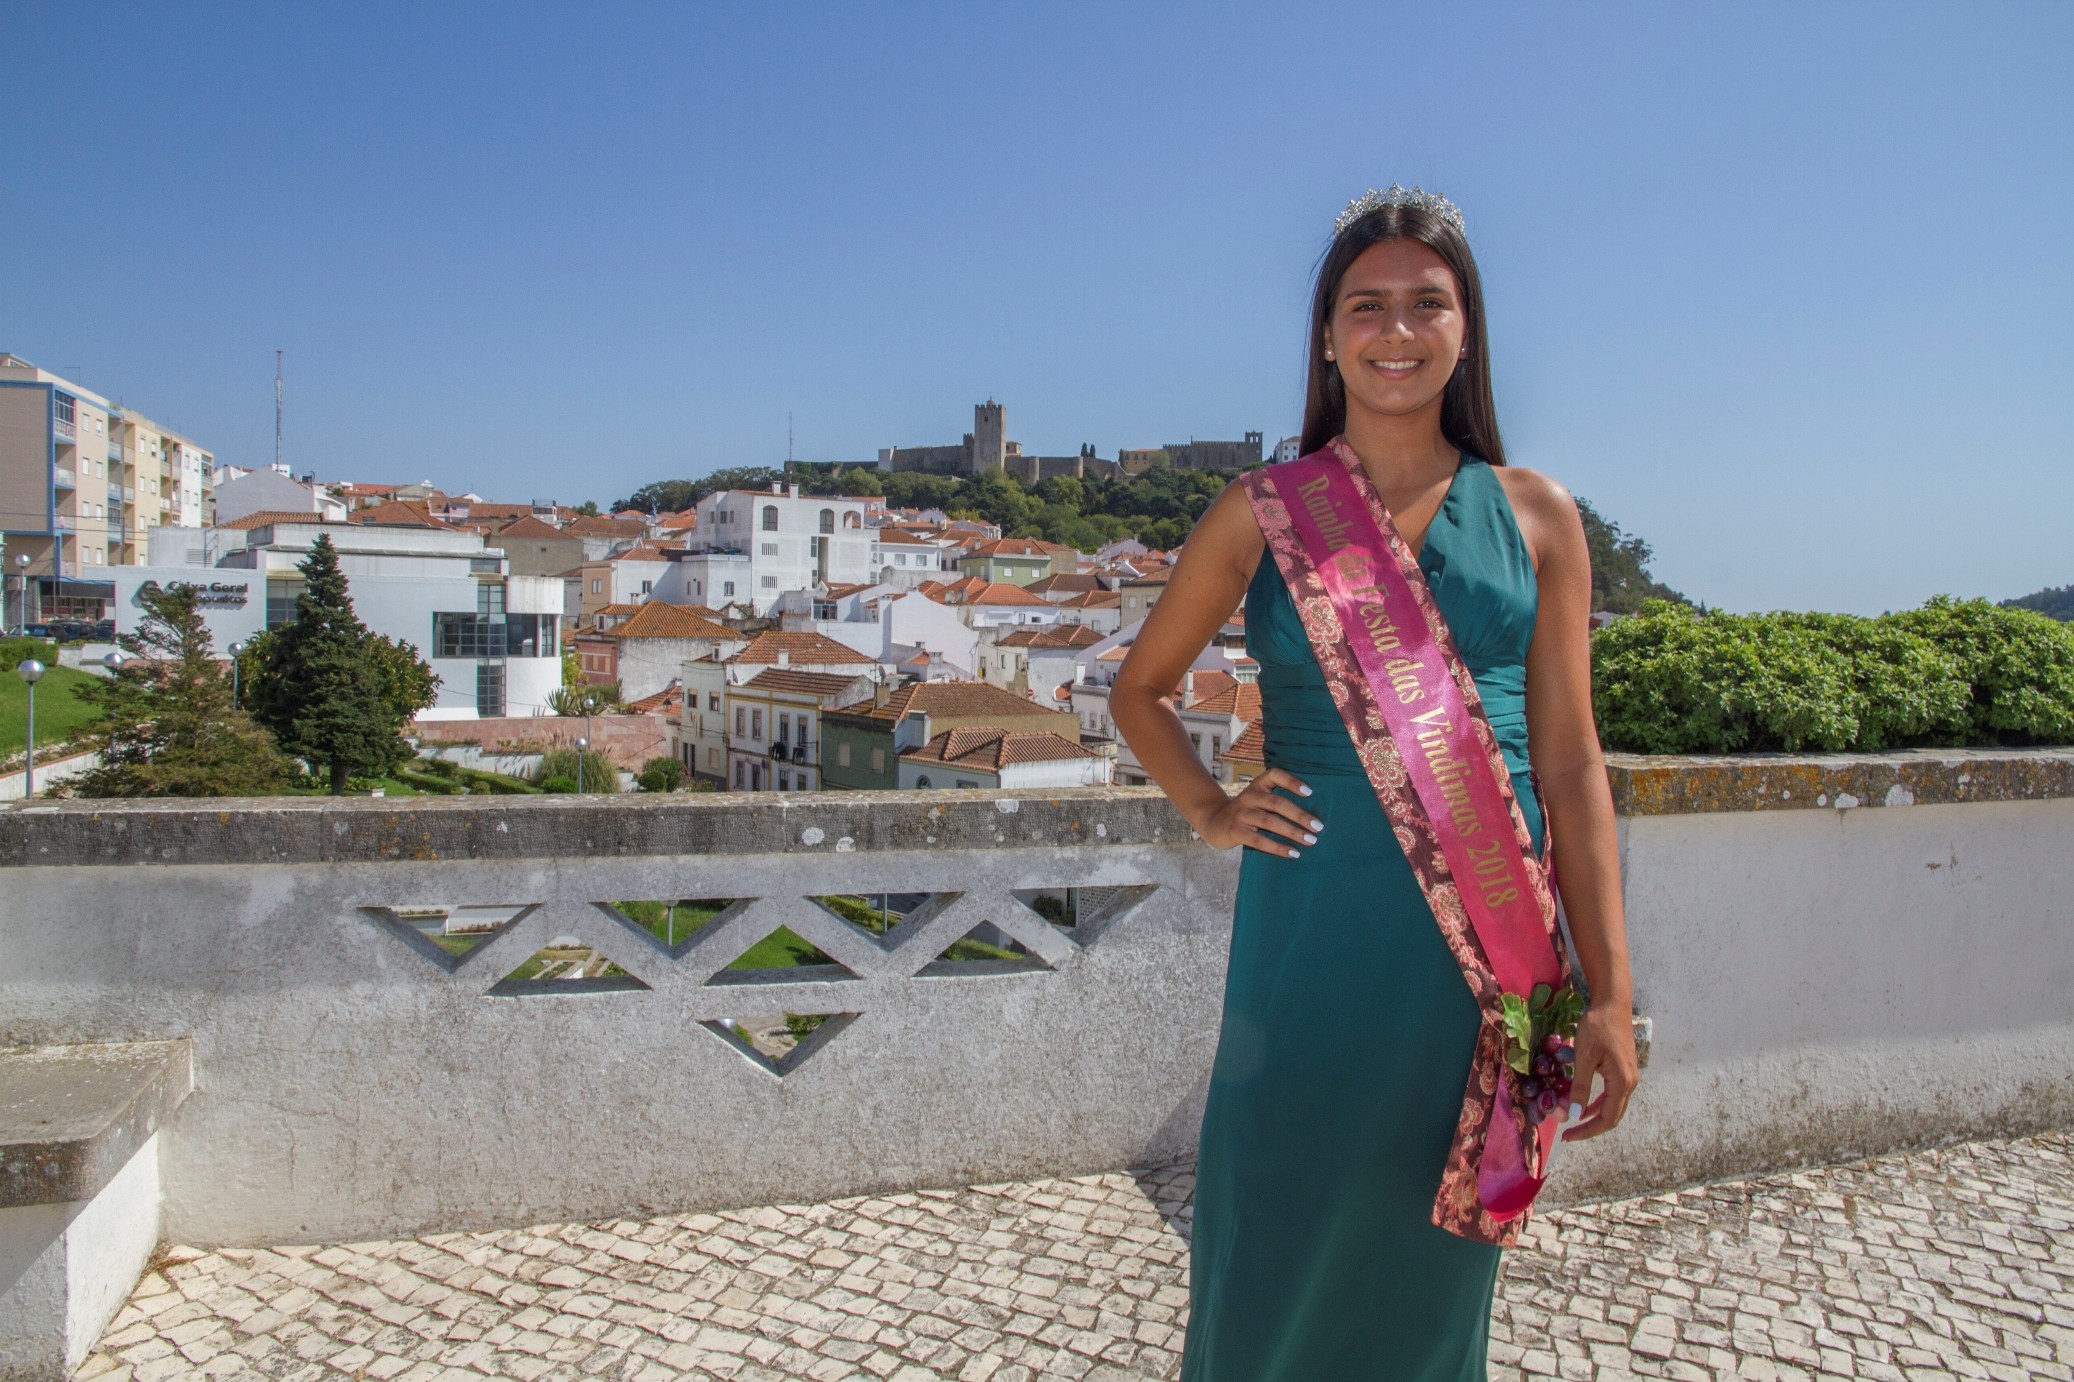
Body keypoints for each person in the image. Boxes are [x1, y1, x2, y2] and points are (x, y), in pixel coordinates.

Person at [1111, 186, 1639, 1380]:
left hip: (1486, 962)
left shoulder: (1538, 515)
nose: (1395, 331)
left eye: (1425, 305)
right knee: (1275, 1226)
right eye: (1367, 306)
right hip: (1310, 934)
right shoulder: (1261, 512)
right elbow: (1140, 689)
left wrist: (1609, 990)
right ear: (1327, 334)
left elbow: (1569, 761)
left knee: (1436, 1250)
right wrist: (1208, 804)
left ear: (1465, 330)